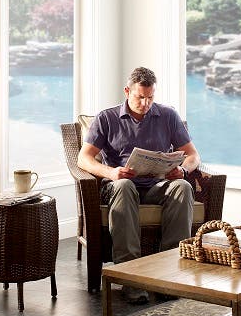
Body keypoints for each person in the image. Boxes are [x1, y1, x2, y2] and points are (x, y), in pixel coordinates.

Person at [78, 67, 201, 303]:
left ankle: (169, 275)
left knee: (183, 187)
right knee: (124, 185)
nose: (146, 103)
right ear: (127, 91)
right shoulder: (107, 118)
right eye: (140, 97)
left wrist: (183, 169)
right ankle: (130, 278)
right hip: (120, 187)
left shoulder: (167, 116)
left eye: (150, 97)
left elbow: (193, 155)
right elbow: (83, 158)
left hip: (157, 186)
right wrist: (111, 172)